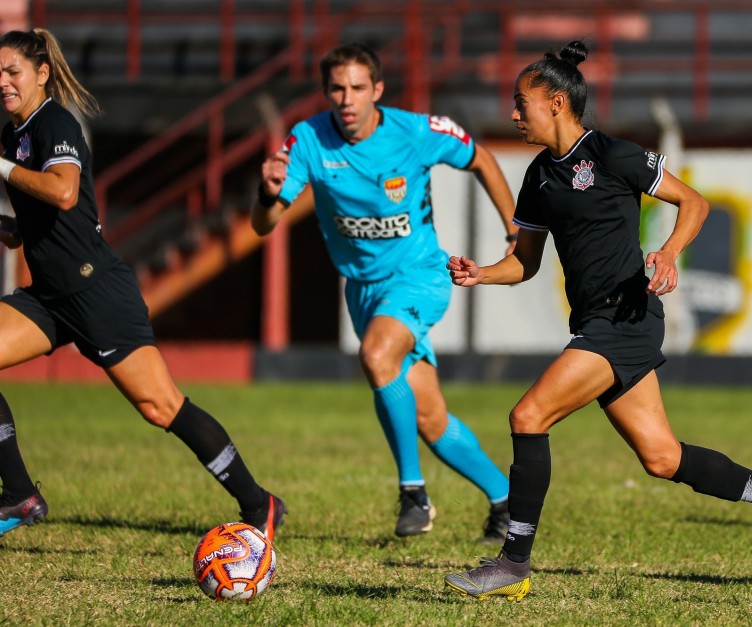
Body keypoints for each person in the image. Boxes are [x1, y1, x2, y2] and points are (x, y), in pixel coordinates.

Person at [443, 41, 752, 601]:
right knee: (662, 457)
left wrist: (669, 252)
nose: (512, 113)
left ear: (556, 102)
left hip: (626, 318)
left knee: (529, 416)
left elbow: (693, 203)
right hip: (597, 324)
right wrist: (480, 273)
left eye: (519, 102)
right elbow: (525, 264)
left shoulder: (611, 154)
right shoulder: (537, 178)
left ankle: (513, 563)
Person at [0, 29, 285, 543]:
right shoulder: (13, 135)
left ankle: (258, 502)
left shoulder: (55, 122)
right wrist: (8, 226)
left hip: (95, 293)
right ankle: (19, 494)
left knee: (162, 408)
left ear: (41, 74)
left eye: (12, 72)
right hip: (48, 296)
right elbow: (39, 223)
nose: (2, 82)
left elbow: (64, 193)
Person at [251, 43, 516, 541]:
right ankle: (506, 502)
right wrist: (267, 195)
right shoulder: (308, 139)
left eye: (356, 88)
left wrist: (514, 230)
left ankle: (413, 493)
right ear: (326, 92)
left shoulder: (415, 131)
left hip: (421, 276)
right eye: (336, 88)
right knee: (430, 418)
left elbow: (480, 158)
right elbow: (264, 226)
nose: (346, 99)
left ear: (377, 90)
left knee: (376, 356)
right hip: (364, 291)